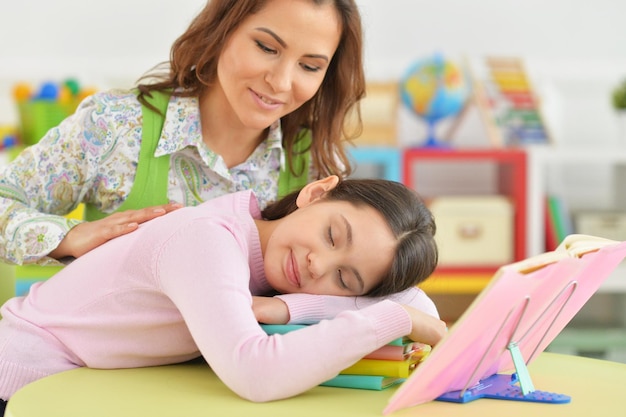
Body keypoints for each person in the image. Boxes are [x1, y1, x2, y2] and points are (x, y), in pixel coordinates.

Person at [0, 177, 446, 413]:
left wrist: (285, 306)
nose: (318, 265)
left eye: (345, 280)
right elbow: (255, 374)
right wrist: (393, 321)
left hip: (82, 387)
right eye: (332, 235)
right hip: (22, 385)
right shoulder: (208, 239)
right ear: (315, 193)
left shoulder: (266, 253)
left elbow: (419, 305)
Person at [0, 0, 366, 266]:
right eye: (266, 47)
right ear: (223, 30)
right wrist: (69, 237)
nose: (281, 82)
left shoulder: (314, 163)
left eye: (309, 66)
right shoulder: (117, 124)